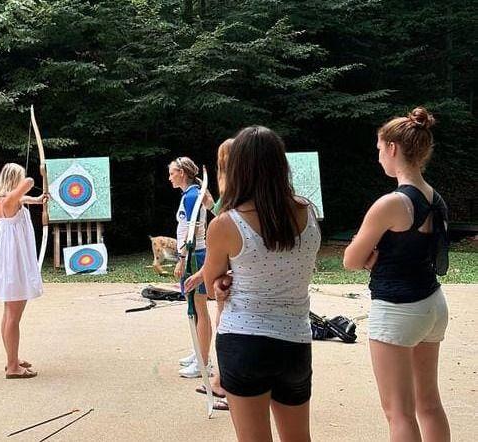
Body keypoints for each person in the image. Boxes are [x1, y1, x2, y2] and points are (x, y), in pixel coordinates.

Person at [197, 126, 321, 441]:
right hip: (295, 340)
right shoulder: (307, 212)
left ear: (237, 167)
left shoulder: (226, 223)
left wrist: (223, 283)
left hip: (244, 342)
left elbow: (211, 285)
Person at [344, 107, 450, 442]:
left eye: (379, 149)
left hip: (397, 309)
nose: (378, 157)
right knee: (429, 404)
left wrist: (368, 256)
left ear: (392, 148)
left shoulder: (391, 203)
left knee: (399, 413)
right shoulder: (436, 199)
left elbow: (350, 259)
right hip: (432, 303)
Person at [0, 163, 46, 379]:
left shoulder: (1, 202)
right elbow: (28, 185)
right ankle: (13, 366)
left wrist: (37, 199)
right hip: (15, 265)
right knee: (13, 317)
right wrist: (39, 173)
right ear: (15, 180)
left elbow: (22, 198)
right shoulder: (8, 201)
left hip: (10, 263)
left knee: (9, 314)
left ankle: (12, 358)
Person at [168, 157, 214, 379]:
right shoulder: (189, 194)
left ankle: (203, 362)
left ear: (182, 173)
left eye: (172, 173)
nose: (170, 178)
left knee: (199, 308)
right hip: (192, 255)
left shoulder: (192, 195)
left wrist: (182, 258)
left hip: (195, 256)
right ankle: (199, 351)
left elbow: (193, 230)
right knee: (194, 308)